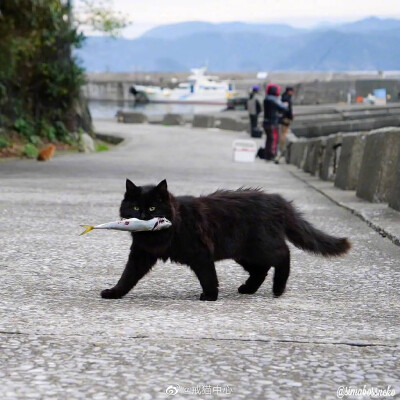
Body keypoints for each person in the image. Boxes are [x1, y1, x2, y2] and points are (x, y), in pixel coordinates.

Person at [262, 83, 288, 161]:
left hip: (266, 122)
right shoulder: (273, 99)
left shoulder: (266, 98)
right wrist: (285, 104)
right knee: (274, 139)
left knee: (269, 139)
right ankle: (272, 154)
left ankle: (268, 154)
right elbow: (282, 107)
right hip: (272, 122)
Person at [277, 86, 294, 163]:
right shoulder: (287, 98)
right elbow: (287, 109)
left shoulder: (283, 97)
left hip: (282, 117)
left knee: (282, 133)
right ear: (289, 91)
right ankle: (281, 148)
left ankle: (281, 147)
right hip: (285, 118)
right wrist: (290, 116)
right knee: (284, 133)